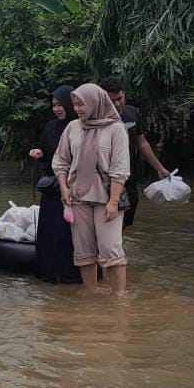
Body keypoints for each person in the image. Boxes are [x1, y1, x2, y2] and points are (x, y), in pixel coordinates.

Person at [53, 83, 130, 293]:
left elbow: (120, 168)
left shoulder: (116, 128)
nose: (78, 109)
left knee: (110, 248)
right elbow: (60, 161)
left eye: (82, 104)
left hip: (107, 196)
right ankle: (91, 295)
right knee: (83, 250)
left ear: (96, 102)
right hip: (77, 195)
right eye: (75, 104)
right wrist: (64, 189)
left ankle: (120, 299)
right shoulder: (73, 127)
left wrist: (114, 202)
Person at [98, 76, 171, 228]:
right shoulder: (96, 118)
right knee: (106, 217)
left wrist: (159, 168)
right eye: (112, 100)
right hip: (103, 178)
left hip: (128, 175)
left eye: (120, 98)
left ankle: (118, 245)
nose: (117, 104)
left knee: (127, 214)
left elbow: (142, 142)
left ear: (124, 94)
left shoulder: (132, 113)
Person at [28, 85, 79, 283]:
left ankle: (72, 275)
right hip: (53, 189)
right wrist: (38, 153)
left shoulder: (80, 126)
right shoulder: (50, 127)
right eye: (54, 105)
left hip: (75, 189)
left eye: (60, 104)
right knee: (51, 231)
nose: (57, 109)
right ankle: (49, 273)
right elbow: (46, 152)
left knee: (70, 234)